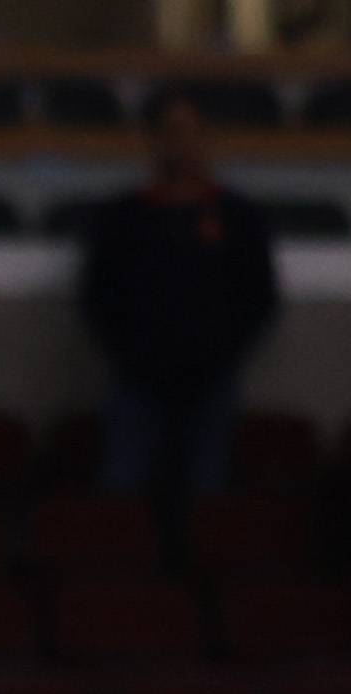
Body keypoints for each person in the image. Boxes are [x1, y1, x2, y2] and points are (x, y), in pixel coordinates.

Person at [77, 96, 279, 512]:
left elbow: (259, 297)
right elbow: (97, 297)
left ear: (206, 139)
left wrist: (222, 352)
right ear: (153, 142)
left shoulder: (238, 216)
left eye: (190, 133)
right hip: (136, 381)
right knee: (122, 494)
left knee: (208, 500)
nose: (181, 145)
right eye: (171, 134)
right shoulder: (122, 217)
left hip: (211, 379)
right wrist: (130, 353)